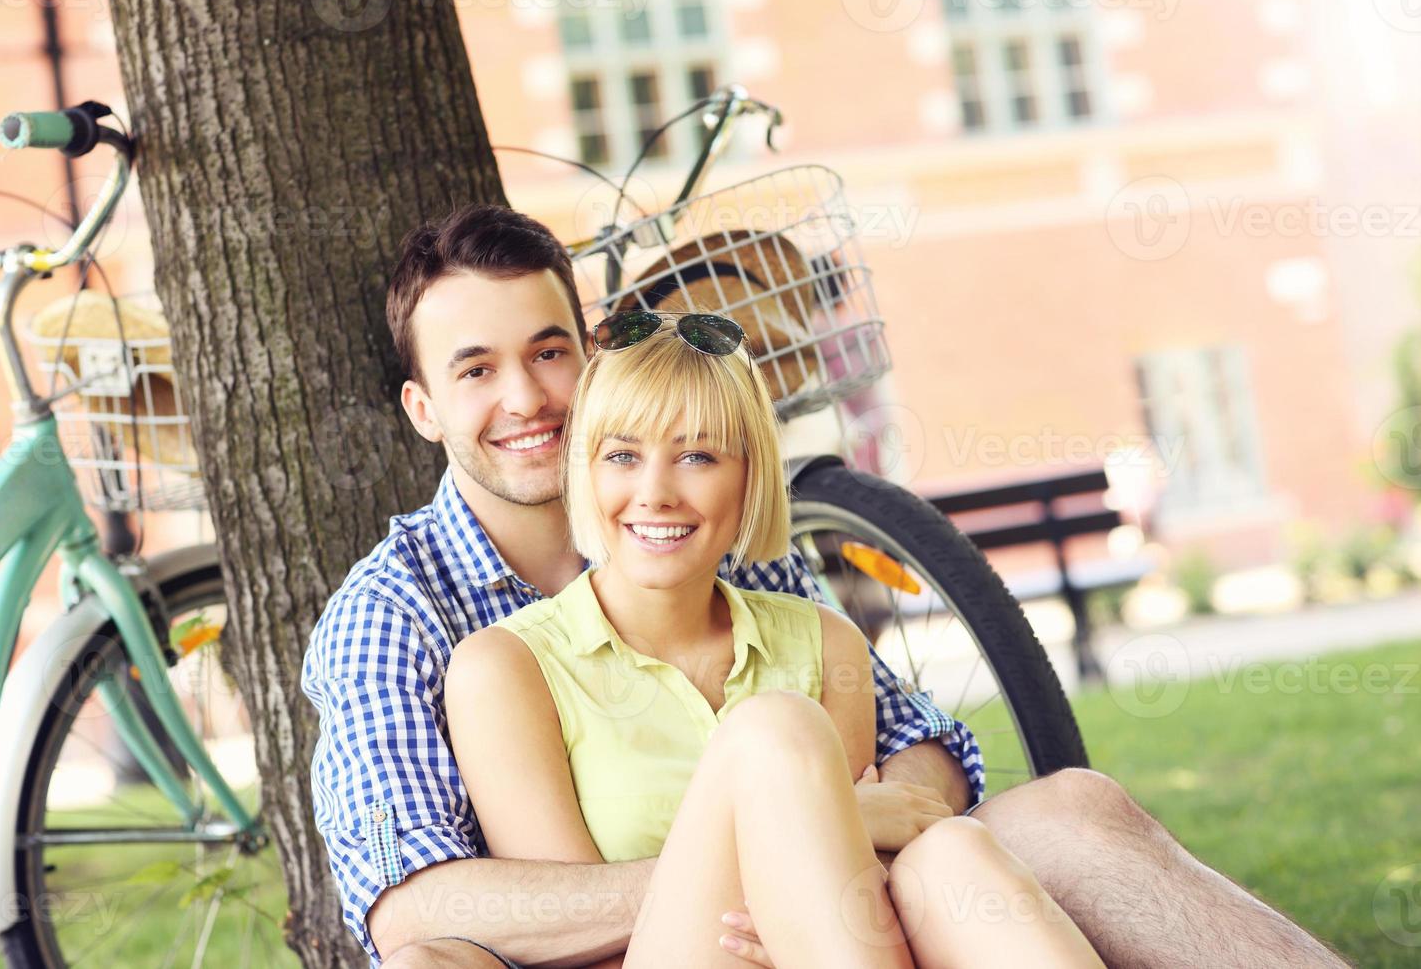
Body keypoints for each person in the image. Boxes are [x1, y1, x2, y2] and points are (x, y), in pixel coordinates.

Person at [302, 203, 1348, 969]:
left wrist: (844, 835)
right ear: (423, 407)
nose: (527, 397)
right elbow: (413, 913)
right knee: (779, 744)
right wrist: (778, 848)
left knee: (1070, 807)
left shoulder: (709, 528)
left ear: (594, 357)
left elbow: (925, 747)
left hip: (839, 905)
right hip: (655, 942)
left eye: (549, 351)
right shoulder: (399, 617)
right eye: (476, 369)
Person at [444, 308, 1105, 968]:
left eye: (697, 455)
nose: (655, 493)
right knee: (774, 730)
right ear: (584, 471)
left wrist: (815, 860)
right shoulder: (506, 668)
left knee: (951, 856)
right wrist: (811, 830)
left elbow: (851, 887)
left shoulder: (824, 643)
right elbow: (572, 942)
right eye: (622, 455)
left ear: (749, 473)